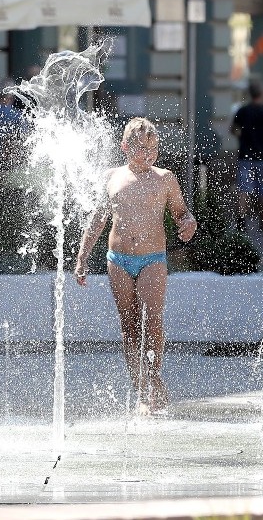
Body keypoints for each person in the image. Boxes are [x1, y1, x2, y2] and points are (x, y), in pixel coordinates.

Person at [74, 117, 197, 415]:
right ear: (125, 147)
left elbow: (181, 212)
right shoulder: (112, 177)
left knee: (151, 320)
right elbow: (98, 220)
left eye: (153, 148)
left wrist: (188, 223)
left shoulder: (164, 178)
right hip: (118, 259)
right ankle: (140, 389)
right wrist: (82, 257)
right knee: (129, 326)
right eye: (142, 148)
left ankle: (154, 379)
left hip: (152, 258)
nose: (149, 154)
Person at [232, 80, 263, 231]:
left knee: (244, 190)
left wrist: (243, 137)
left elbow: (234, 129)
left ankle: (241, 221)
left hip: (245, 156)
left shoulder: (242, 111)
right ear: (262, 94)